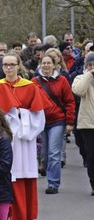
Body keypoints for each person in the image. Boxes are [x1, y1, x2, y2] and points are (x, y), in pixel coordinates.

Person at [2, 53, 47, 220]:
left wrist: (21, 115)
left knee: (22, 175)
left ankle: (22, 217)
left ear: (18, 66)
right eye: (6, 65)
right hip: (4, 138)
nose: (9, 68)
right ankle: (4, 216)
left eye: (12, 64)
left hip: (22, 139)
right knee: (4, 176)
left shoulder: (30, 87)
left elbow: (39, 116)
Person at [32, 55, 75, 194]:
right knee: (44, 154)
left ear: (54, 65)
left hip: (57, 120)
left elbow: (69, 101)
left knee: (54, 152)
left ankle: (53, 183)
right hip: (41, 121)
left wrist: (69, 121)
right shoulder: (34, 82)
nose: (45, 65)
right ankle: (46, 168)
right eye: (43, 63)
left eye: (48, 63)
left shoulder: (62, 80)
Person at [71, 53, 94, 195]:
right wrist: (89, 74)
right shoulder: (80, 78)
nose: (92, 67)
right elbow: (78, 91)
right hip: (88, 125)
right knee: (91, 156)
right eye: (89, 65)